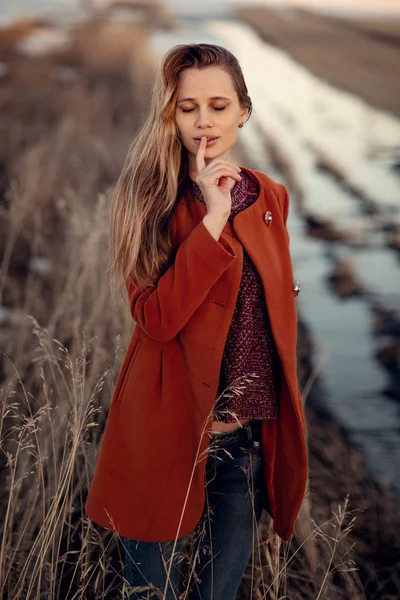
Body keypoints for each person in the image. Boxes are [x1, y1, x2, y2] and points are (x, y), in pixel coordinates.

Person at [85, 43, 308, 599]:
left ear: (243, 111)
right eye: (188, 108)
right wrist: (211, 220)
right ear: (170, 114)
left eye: (218, 105)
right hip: (168, 432)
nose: (204, 121)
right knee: (149, 591)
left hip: (246, 439)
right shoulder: (148, 197)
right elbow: (156, 319)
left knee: (219, 592)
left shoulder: (268, 196)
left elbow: (276, 309)